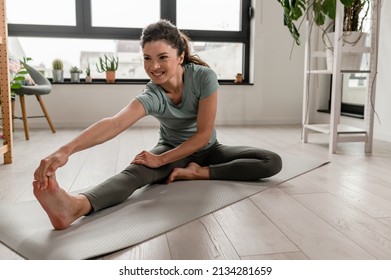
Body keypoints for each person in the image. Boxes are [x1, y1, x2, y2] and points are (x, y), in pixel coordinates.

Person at [33, 19, 282, 230]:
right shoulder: (153, 95)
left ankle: (198, 173)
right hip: (172, 150)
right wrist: (65, 150)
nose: (154, 66)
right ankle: (75, 207)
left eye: (163, 57)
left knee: (271, 161)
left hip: (209, 150)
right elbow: (115, 123)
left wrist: (163, 161)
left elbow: (203, 134)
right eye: (147, 58)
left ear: (180, 56)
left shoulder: (204, 77)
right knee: (135, 173)